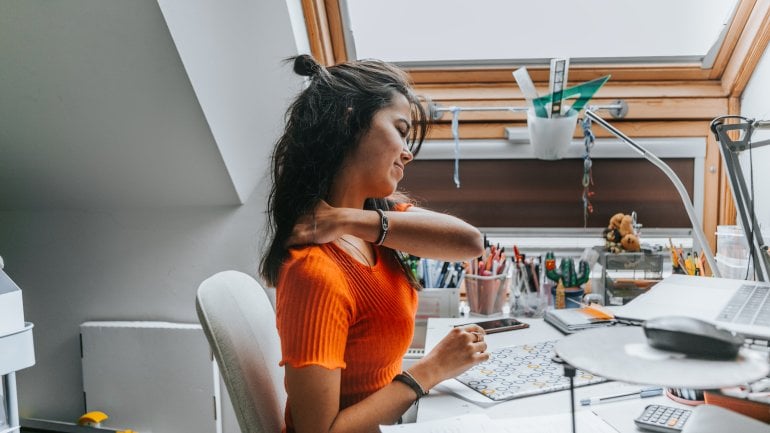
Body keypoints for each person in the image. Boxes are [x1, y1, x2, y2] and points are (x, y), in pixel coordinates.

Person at [260, 54, 489, 433]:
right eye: (400, 129)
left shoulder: (375, 222)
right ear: (350, 120)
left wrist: (348, 219)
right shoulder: (315, 272)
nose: (408, 151)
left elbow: (470, 242)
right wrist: (430, 370)